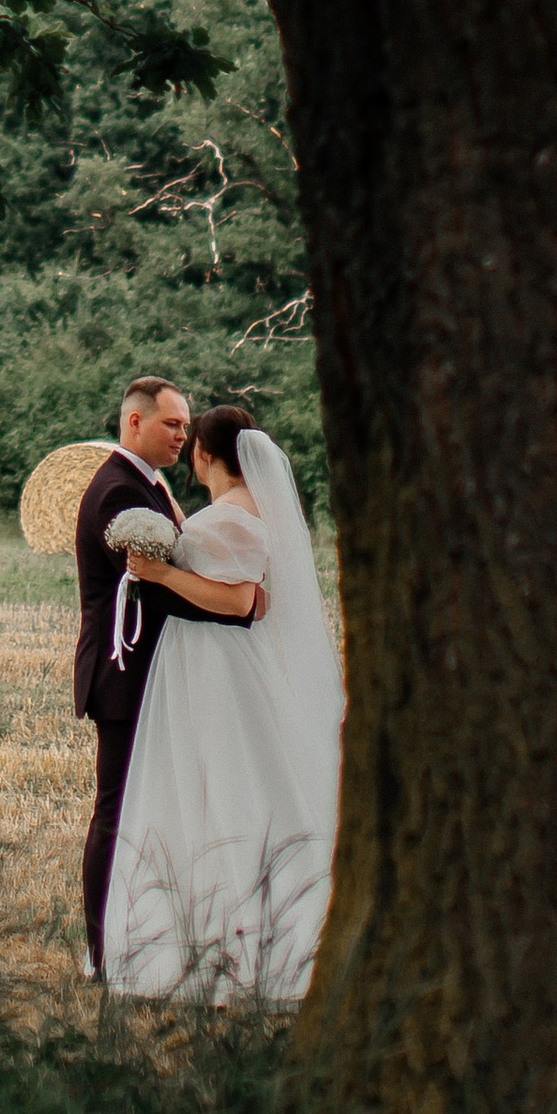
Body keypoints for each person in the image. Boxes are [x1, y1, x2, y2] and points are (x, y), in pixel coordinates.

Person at [98, 399, 342, 1005]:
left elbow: (235, 601)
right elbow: (255, 597)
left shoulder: (228, 516)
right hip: (226, 658)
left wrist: (160, 574)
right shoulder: (256, 510)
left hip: (212, 664)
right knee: (231, 781)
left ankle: (223, 941)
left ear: (206, 454)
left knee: (216, 784)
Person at [71, 376, 268, 978]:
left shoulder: (149, 486)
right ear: (135, 422)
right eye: (172, 424)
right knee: (115, 814)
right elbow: (152, 592)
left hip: (156, 674)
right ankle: (104, 954)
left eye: (186, 426)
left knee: (149, 810)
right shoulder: (117, 491)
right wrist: (238, 608)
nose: (183, 435)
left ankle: (147, 937)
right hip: (125, 674)